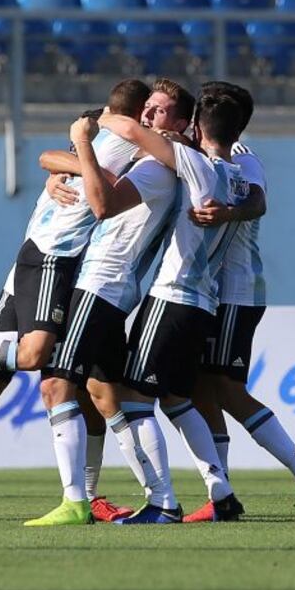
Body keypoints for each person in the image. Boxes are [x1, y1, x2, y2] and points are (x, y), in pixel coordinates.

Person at [0, 79, 151, 525]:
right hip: (46, 264)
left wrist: (76, 166)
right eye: (149, 111)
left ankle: (89, 496)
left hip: (67, 273)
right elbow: (57, 161)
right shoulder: (111, 136)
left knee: (86, 388)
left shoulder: (112, 145)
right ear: (135, 114)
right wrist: (84, 166)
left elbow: (53, 158)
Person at [22, 79, 198, 526]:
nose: (147, 116)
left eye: (159, 111)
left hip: (102, 283)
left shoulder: (157, 168)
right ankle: (161, 501)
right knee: (108, 394)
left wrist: (83, 143)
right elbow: (54, 158)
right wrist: (64, 169)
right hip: (106, 284)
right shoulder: (149, 157)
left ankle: (77, 502)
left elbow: (102, 205)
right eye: (147, 108)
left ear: (179, 124)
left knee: (55, 385)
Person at [88, 91, 253, 521]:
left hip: (173, 295)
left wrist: (97, 120)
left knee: (133, 398)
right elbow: (258, 202)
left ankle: (163, 505)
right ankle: (222, 493)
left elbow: (129, 130)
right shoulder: (238, 176)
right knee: (177, 399)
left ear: (196, 127)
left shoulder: (194, 162)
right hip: (204, 302)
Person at [180, 81, 295, 523]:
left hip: (236, 290)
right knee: (200, 386)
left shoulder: (243, 158)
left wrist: (228, 212)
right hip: (211, 292)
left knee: (225, 388)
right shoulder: (199, 155)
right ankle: (220, 495)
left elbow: (258, 201)